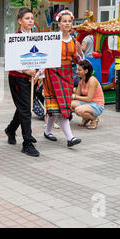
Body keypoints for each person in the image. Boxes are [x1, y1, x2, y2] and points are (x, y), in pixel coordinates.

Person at [43, 10, 84, 148]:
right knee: (61, 105)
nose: (67, 24)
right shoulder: (52, 38)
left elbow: (78, 60)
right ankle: (70, 138)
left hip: (67, 74)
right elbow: (45, 56)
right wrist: (39, 73)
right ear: (59, 23)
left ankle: (47, 131)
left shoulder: (74, 40)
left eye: (69, 21)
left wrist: (79, 52)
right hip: (53, 72)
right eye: (64, 21)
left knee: (58, 105)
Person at [4, 8, 41, 157]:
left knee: (25, 107)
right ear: (20, 21)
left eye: (32, 18)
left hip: (33, 78)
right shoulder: (14, 38)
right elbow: (11, 60)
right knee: (26, 109)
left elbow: (41, 57)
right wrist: (25, 71)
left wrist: (39, 72)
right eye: (27, 18)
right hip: (18, 78)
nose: (30, 21)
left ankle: (11, 129)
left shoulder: (37, 37)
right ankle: (27, 142)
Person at [71, 60, 105, 129]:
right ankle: (86, 118)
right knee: (70, 104)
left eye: (79, 70)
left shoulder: (92, 80)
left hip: (97, 105)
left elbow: (89, 98)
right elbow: (77, 96)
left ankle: (94, 119)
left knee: (78, 110)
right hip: (88, 103)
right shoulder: (81, 80)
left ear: (86, 71)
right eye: (77, 69)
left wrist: (74, 96)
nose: (77, 72)